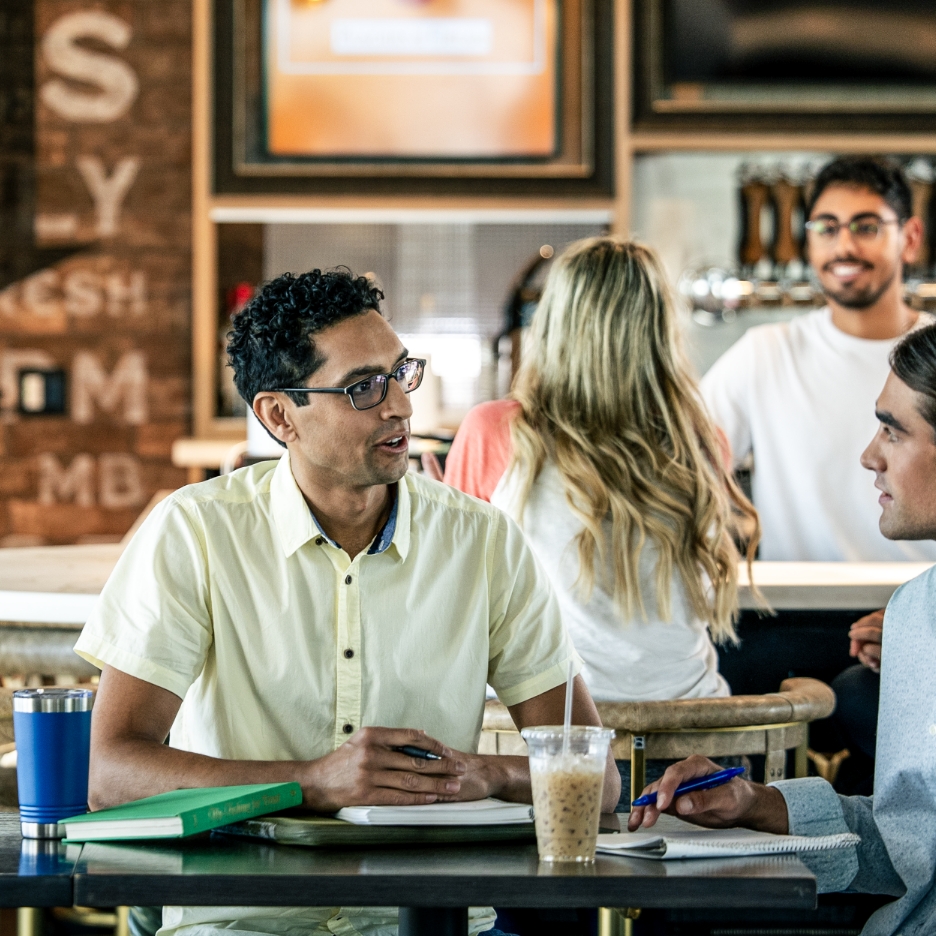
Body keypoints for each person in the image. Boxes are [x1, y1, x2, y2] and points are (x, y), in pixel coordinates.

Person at [74, 268, 619, 936]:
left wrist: (481, 773)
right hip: (242, 925)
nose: (400, 406)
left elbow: (597, 778)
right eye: (363, 386)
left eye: (401, 373)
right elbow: (112, 771)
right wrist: (310, 781)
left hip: (430, 922)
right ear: (279, 416)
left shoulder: (484, 542)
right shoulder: (196, 533)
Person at [629, 322, 936, 936]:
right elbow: (910, 847)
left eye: (893, 430)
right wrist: (758, 804)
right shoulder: (917, 612)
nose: (869, 455)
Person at [434, 238, 759, 800]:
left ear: (554, 322)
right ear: (661, 330)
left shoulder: (497, 432)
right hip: (696, 745)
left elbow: (455, 603)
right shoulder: (701, 440)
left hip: (548, 750)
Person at [701, 157, 936, 787]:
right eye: (826, 227)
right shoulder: (765, 354)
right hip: (790, 617)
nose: (844, 245)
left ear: (909, 237)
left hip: (917, 612)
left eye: (865, 226)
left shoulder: (931, 357)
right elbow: (681, 461)